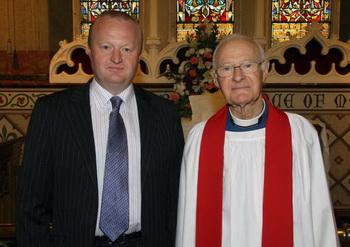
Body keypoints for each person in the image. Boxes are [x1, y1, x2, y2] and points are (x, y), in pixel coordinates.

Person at [16, 11, 184, 247]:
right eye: (106, 47)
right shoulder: (52, 112)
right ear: (89, 52)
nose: (116, 58)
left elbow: (175, 198)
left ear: (139, 56)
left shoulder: (164, 114)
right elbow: (30, 204)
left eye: (127, 49)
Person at [176, 34, 339, 247]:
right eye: (226, 68)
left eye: (247, 65)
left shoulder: (298, 133)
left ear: (265, 70)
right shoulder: (200, 139)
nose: (237, 76)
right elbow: (189, 221)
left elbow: (319, 216)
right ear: (215, 79)